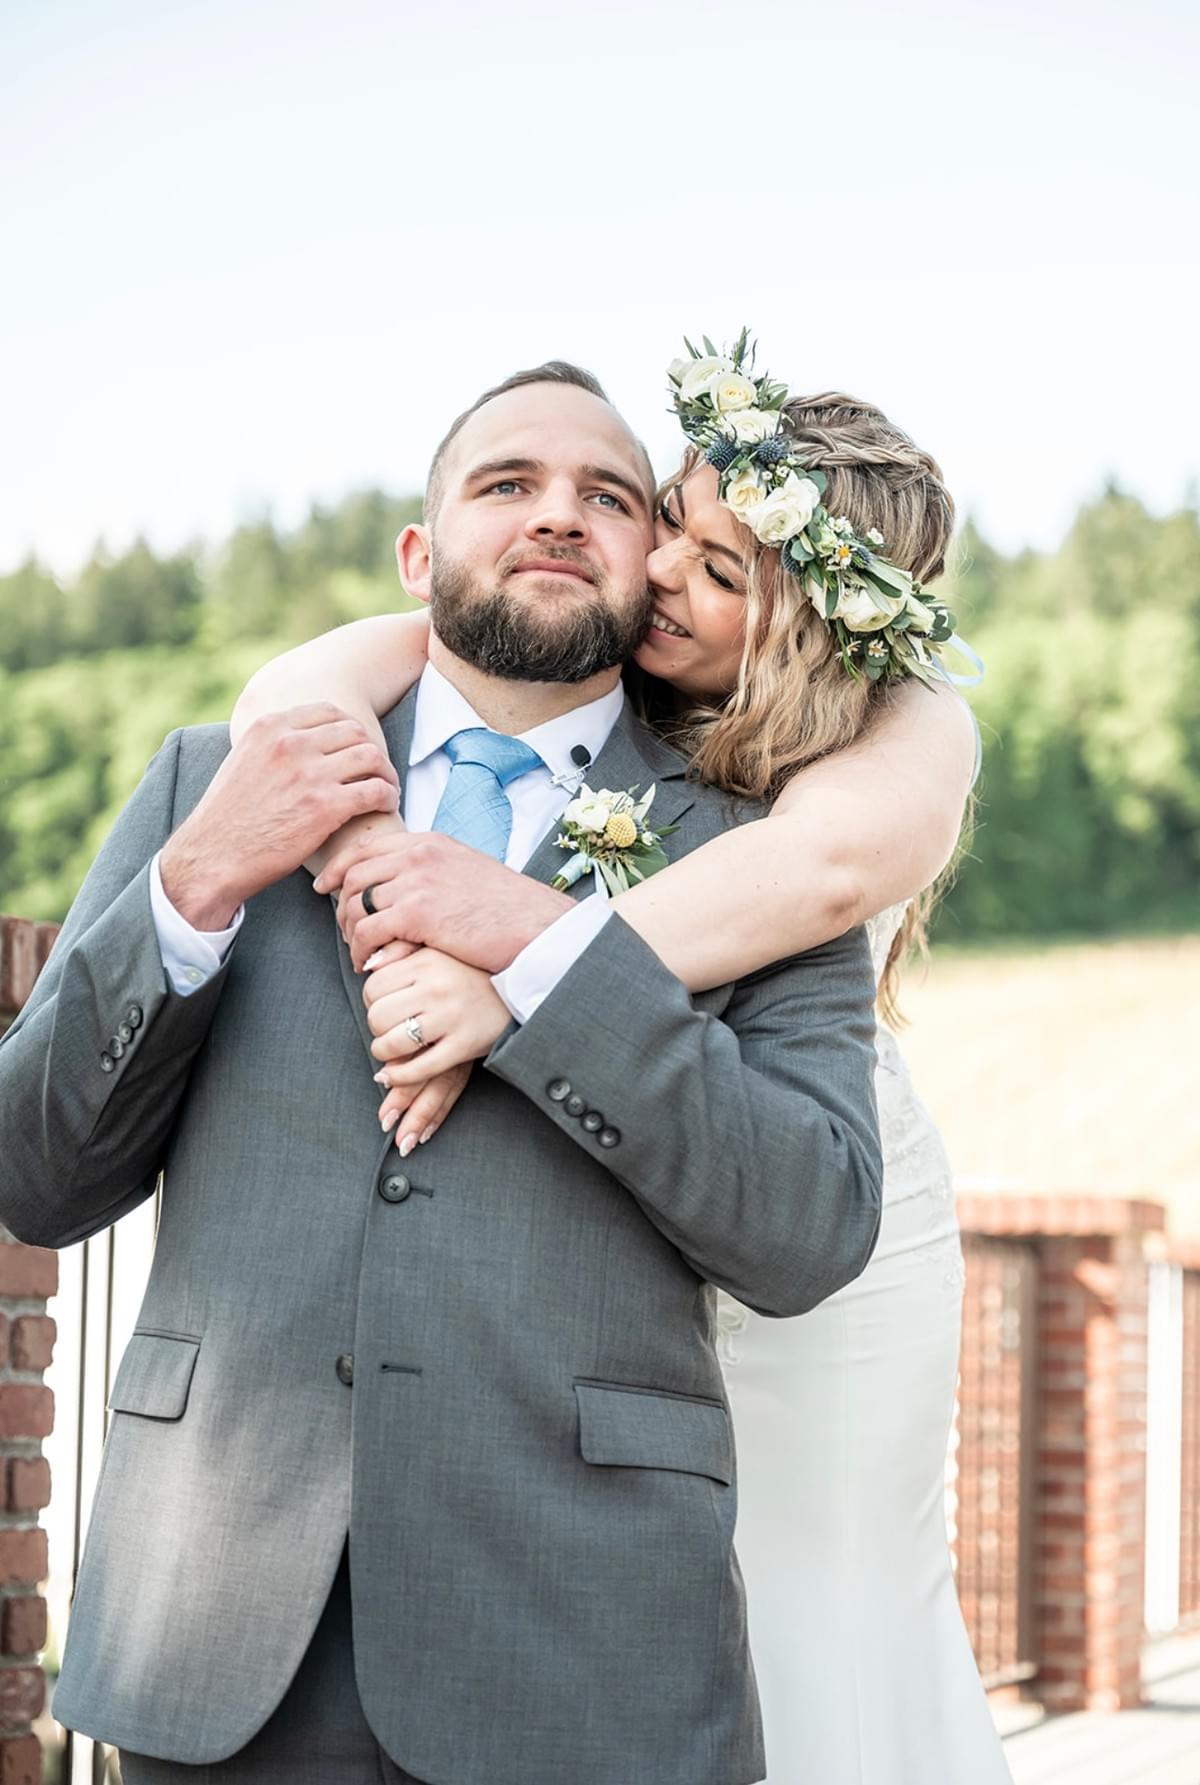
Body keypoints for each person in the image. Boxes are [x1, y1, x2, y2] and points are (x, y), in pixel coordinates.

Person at [0, 359, 885, 1785]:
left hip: (589, 1664)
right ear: (421, 554)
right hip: (215, 1652)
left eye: (608, 494)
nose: (558, 514)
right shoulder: (207, 783)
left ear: (652, 562)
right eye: (506, 483)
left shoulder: (753, 851)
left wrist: (542, 958)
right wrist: (201, 877)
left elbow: (810, 1224)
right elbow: (32, 1176)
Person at [236, 336, 1014, 1783]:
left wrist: (510, 973)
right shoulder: (610, 677)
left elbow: (830, 865)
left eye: (723, 575)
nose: (658, 574)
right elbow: (296, 682)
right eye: (673, 522)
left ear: (807, 631)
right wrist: (372, 853)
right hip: (618, 1199)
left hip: (813, 1201)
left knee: (816, 1580)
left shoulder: (904, 737)